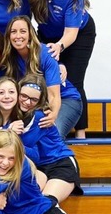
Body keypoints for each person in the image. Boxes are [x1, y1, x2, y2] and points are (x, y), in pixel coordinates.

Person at [23, 0, 96, 139]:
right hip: (48, 34)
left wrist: (59, 48)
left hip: (78, 35)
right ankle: (49, 118)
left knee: (72, 80)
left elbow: (70, 33)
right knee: (45, 76)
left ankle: (81, 133)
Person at [17, 74, 83, 203]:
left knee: (46, 205)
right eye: (24, 96)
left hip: (60, 164)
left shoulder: (39, 116)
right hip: (39, 168)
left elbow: (18, 145)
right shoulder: (19, 116)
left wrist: (7, 133)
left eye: (34, 99)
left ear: (40, 101)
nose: (27, 102)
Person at [2, 15, 61, 129]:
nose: (18, 36)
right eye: (13, 32)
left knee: (51, 129)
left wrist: (53, 114)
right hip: (33, 103)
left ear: (30, 35)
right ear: (9, 36)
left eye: (23, 31)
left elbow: (54, 96)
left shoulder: (45, 54)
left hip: (63, 99)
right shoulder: (9, 58)